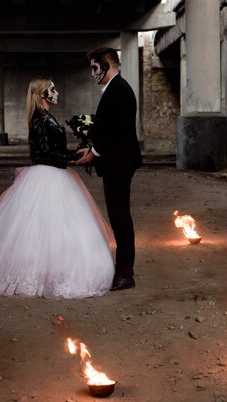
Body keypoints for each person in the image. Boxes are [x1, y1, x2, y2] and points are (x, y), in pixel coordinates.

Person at [0, 77, 115, 298]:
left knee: (58, 227)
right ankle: (38, 276)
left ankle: (51, 273)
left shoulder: (47, 117)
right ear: (42, 94)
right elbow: (44, 154)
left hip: (56, 174)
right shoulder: (39, 120)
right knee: (42, 228)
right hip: (46, 176)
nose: (56, 92)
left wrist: (76, 152)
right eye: (52, 89)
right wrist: (74, 156)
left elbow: (52, 149)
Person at [76, 47, 143, 291]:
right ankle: (124, 271)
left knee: (120, 217)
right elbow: (108, 128)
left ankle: (126, 274)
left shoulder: (119, 90)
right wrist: (92, 149)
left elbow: (118, 132)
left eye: (94, 67)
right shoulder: (115, 89)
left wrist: (94, 152)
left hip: (119, 164)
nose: (92, 73)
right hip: (117, 162)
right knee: (119, 217)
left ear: (107, 65)